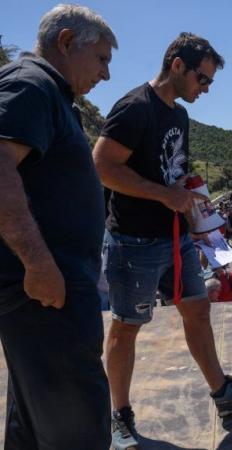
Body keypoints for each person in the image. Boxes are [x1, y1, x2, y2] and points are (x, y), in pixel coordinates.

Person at [94, 32, 232, 447]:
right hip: (133, 241)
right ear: (177, 66)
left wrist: (191, 203)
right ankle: (118, 416)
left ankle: (223, 392)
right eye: (202, 80)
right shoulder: (135, 107)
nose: (205, 89)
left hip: (175, 237)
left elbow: (171, 172)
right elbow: (101, 165)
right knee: (126, 327)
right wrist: (164, 194)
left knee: (197, 310)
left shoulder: (179, 117)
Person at [0, 5, 116, 447]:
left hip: (49, 295)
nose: (105, 74)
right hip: (48, 294)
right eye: (102, 58)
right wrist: (38, 262)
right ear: (66, 42)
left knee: (32, 427)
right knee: (78, 431)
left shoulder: (46, 92)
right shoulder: (31, 85)